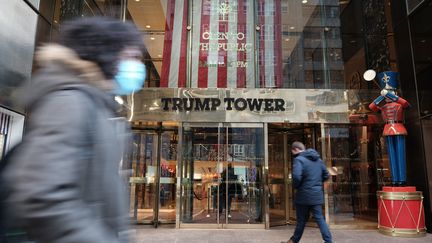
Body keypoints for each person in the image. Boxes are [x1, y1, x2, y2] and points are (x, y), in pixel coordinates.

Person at [2, 17, 146, 242]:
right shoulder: (70, 101)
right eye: (132, 56)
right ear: (108, 54)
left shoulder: (98, 104)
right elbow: (43, 196)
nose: (138, 65)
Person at [283, 141, 332, 243]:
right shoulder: (318, 160)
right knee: (320, 219)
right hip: (316, 196)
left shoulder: (299, 160)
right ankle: (328, 241)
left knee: (301, 221)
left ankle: (294, 241)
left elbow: (296, 176)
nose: (292, 154)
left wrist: (297, 186)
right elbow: (326, 175)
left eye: (292, 151)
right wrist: (318, 185)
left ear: (295, 150)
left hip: (303, 196)